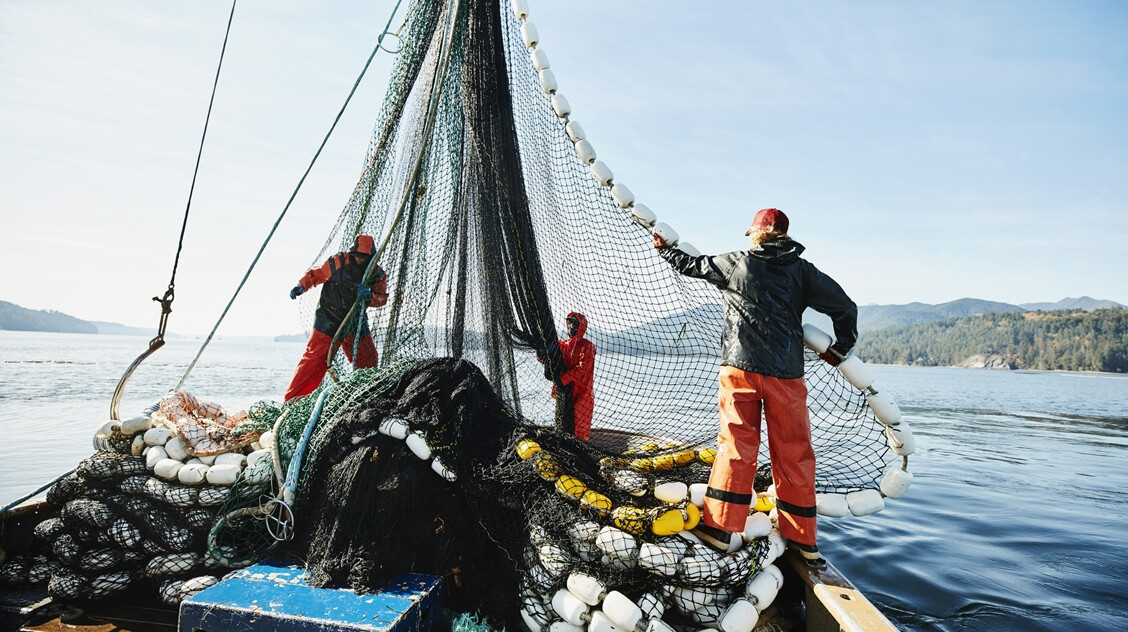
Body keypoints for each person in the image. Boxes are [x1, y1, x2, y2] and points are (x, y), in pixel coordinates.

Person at [653, 208, 857, 565]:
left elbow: (692, 265)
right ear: (785, 236)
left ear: (755, 234)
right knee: (794, 452)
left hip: (740, 370)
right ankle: (803, 539)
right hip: (787, 376)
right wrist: (841, 347)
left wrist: (665, 249)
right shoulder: (804, 272)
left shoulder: (737, 264)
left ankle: (720, 529)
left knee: (736, 446)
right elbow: (845, 307)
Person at [284, 234, 389, 402]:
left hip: (355, 320)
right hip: (328, 318)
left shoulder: (376, 272)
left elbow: (382, 298)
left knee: (368, 358)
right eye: (357, 256)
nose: (360, 259)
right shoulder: (337, 262)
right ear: (351, 252)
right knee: (315, 359)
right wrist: (301, 286)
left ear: (372, 257)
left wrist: (369, 296)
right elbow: (315, 275)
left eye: (364, 257)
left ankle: (365, 397)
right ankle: (293, 400)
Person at [551, 312, 596, 440]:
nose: (571, 327)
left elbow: (581, 369)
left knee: (579, 429)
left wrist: (562, 379)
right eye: (569, 323)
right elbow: (549, 360)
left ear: (581, 327)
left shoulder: (587, 346)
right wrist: (542, 353)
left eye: (575, 324)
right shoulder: (562, 345)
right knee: (562, 424)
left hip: (582, 394)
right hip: (564, 393)